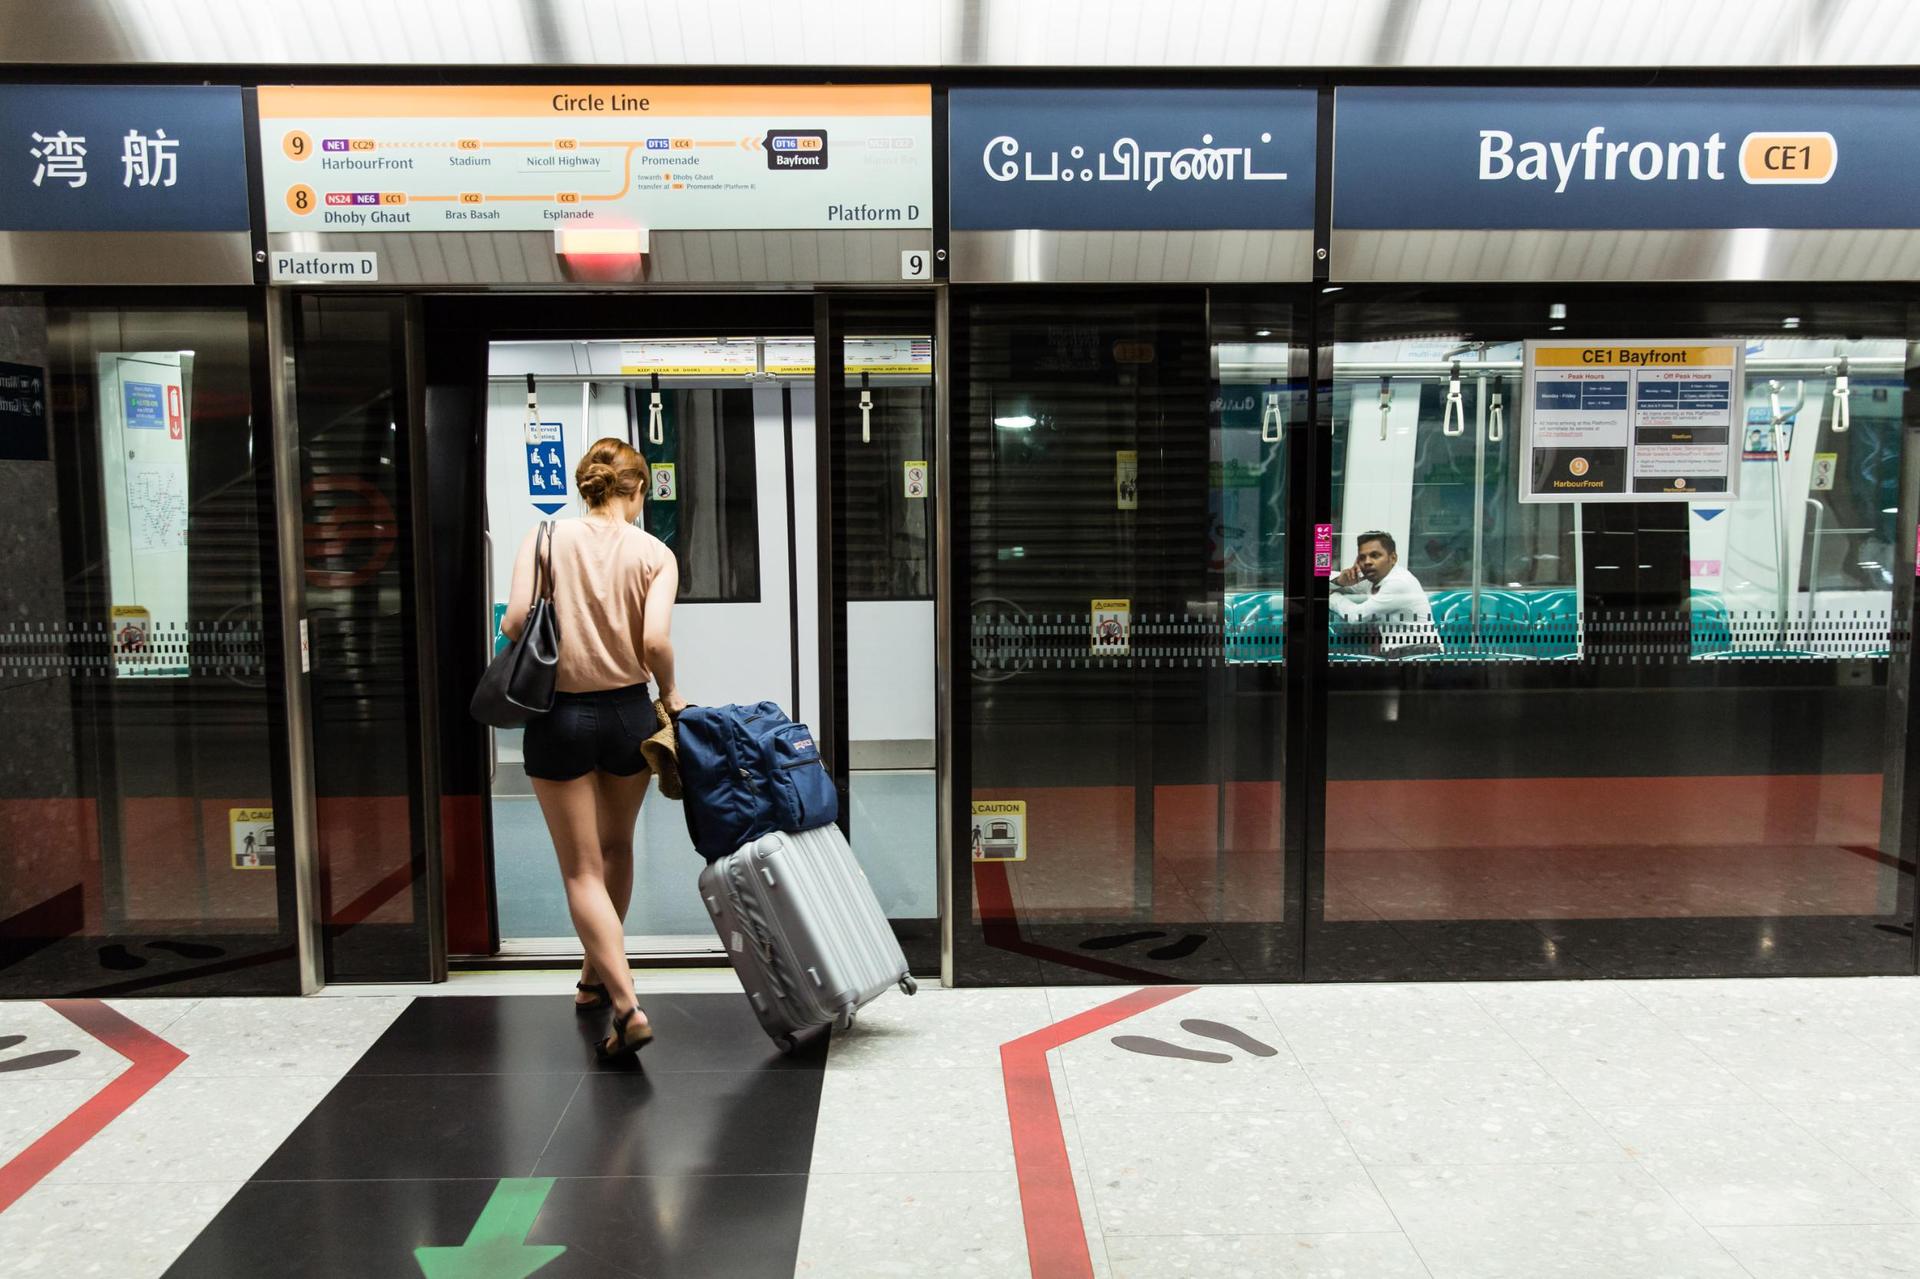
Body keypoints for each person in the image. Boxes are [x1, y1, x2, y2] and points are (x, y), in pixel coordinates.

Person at [503, 437, 685, 1059]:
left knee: (581, 869)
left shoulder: (545, 538)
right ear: (636, 490)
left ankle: (626, 1002)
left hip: (559, 715)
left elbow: (513, 622)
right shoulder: (655, 554)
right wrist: (674, 693)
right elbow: (655, 639)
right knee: (616, 848)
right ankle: (592, 978)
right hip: (630, 714)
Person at [1330, 530, 1440, 656]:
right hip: (1399, 652)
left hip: (1420, 653)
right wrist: (1339, 581)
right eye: (1362, 557)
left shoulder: (1398, 583)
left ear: (1393, 558)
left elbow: (1357, 616)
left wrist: (1332, 597)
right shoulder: (1373, 579)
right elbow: (1321, 578)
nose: (1367, 562)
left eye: (1375, 555)